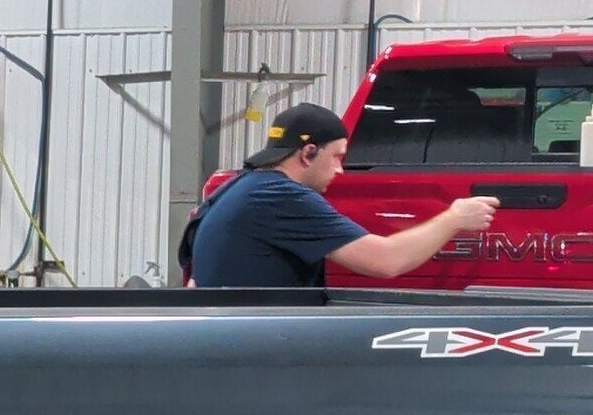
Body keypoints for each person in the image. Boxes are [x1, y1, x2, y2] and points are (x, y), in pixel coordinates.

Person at [185, 103, 496, 288]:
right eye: (336, 156)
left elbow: (193, 281)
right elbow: (387, 261)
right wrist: (454, 219)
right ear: (308, 153)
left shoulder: (238, 187)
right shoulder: (281, 197)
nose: (340, 170)